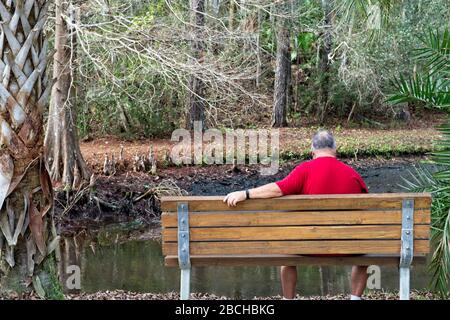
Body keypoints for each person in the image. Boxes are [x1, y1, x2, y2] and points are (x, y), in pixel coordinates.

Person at [223, 130, 369, 300]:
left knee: (287, 255)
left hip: (307, 247)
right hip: (347, 247)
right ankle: (355, 298)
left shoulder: (305, 170)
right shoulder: (352, 174)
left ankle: (288, 299)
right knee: (363, 252)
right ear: (335, 149)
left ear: (312, 150)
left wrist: (246, 193)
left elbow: (277, 189)